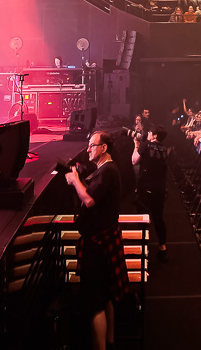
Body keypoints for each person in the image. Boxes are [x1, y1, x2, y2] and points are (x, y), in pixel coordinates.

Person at [65, 131, 129, 350]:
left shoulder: (108, 170)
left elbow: (90, 200)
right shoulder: (107, 169)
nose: (88, 149)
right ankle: (109, 342)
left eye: (92, 145)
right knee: (106, 295)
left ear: (104, 148)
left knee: (94, 303)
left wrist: (75, 181)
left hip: (97, 246)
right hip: (104, 241)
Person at [132, 124, 169, 261]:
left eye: (149, 132)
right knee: (158, 218)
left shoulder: (146, 145)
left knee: (143, 218)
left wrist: (136, 146)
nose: (147, 134)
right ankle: (162, 247)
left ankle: (143, 248)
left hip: (146, 189)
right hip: (160, 189)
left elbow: (134, 161)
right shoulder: (164, 149)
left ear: (154, 136)